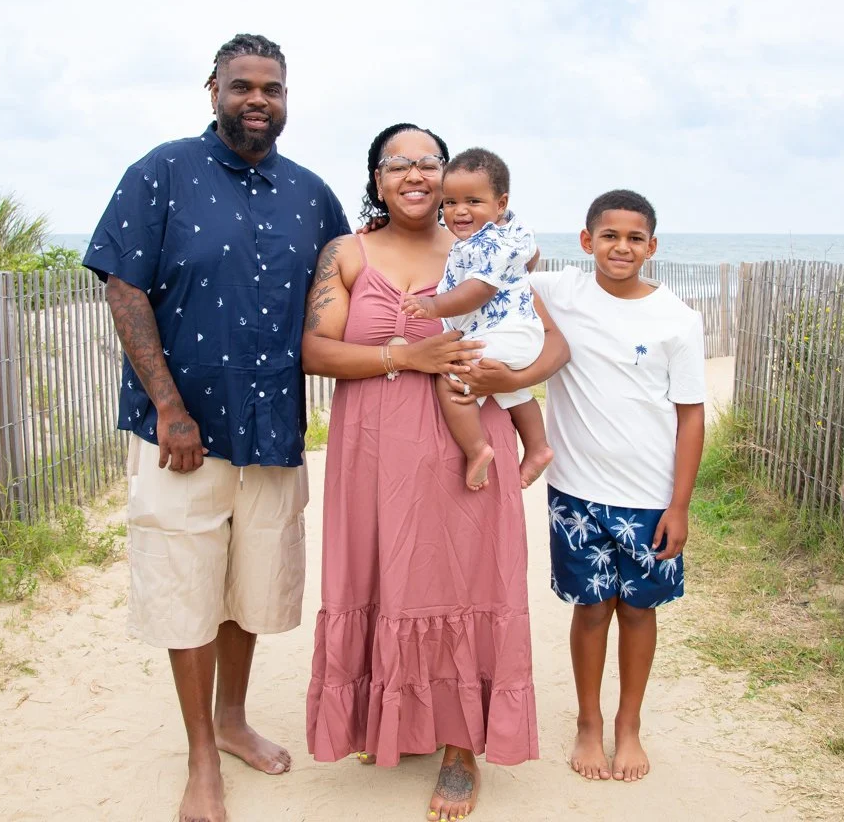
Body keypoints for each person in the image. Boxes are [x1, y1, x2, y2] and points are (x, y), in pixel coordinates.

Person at [84, 33, 349, 822]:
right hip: (184, 436)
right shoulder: (161, 172)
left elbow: (354, 282)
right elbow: (124, 288)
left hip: (273, 433)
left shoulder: (311, 194)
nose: (257, 99)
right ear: (214, 91)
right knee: (185, 589)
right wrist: (169, 408)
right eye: (243, 86)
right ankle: (201, 754)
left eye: (272, 88)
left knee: (249, 589)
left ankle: (232, 720)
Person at [302, 123, 569, 822]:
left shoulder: (482, 247)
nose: (416, 175)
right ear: (377, 178)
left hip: (464, 452)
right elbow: (314, 351)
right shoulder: (346, 253)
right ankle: (390, 720)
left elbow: (554, 345)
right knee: (381, 579)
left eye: (430, 163)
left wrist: (510, 378)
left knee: (465, 582)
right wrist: (404, 357)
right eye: (399, 164)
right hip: (372, 454)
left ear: (450, 177)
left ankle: (460, 747)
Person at [527, 189, 707, 784]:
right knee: (590, 610)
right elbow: (499, 271)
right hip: (576, 492)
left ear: (652, 247)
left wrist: (679, 505)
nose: (621, 247)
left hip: (650, 499)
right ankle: (588, 721)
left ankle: (629, 725)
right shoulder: (561, 291)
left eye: (634, 238)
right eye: (609, 235)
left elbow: (691, 416)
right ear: (587, 242)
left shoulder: (678, 319)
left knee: (637, 610)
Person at [399, 148, 554, 490]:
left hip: (504, 332)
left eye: (473, 201)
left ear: (500, 204)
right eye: (450, 202)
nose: (460, 210)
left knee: (451, 379)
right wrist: (518, 270)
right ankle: (538, 448)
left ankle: (476, 448)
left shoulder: (489, 243)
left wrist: (432, 306)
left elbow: (478, 290)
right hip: (516, 333)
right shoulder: (511, 232)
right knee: (513, 392)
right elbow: (532, 255)